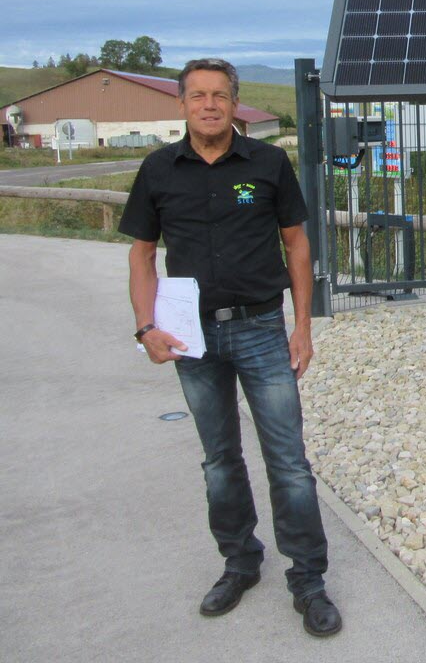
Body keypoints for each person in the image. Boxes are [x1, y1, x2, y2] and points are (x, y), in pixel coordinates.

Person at [119, 58, 341, 637]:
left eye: (220, 95)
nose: (209, 104)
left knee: (289, 463)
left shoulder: (268, 163)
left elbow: (296, 244)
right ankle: (240, 562)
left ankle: (309, 580)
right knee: (219, 462)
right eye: (198, 95)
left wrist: (302, 327)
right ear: (183, 104)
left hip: (262, 330)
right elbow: (141, 254)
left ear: (235, 103)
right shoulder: (158, 169)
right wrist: (146, 328)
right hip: (192, 339)